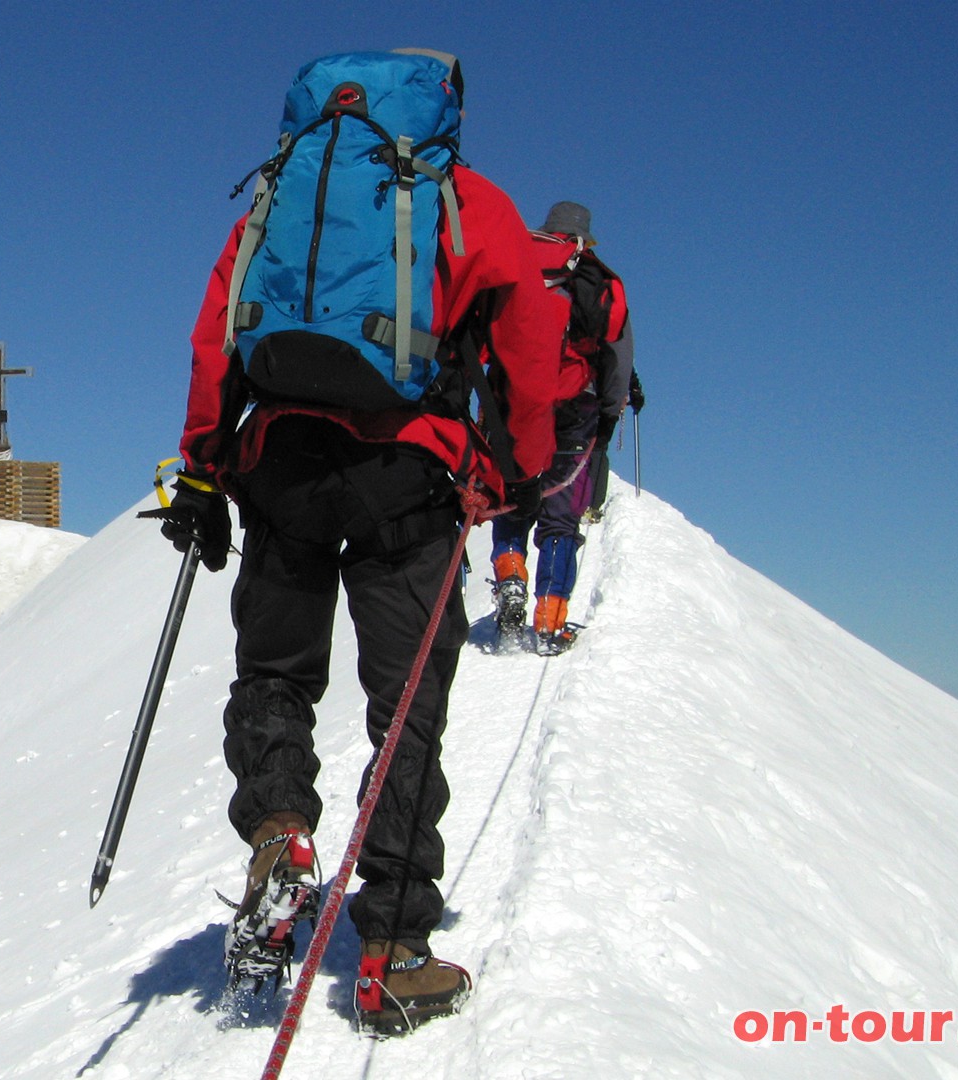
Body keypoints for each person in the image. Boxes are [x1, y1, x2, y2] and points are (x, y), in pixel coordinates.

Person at [155, 50, 562, 1032]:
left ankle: (282, 832)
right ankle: (393, 950)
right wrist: (515, 471)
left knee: (276, 675)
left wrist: (204, 469)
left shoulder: (278, 195)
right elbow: (530, 337)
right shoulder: (464, 199)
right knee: (407, 704)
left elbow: (219, 331)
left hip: (280, 465)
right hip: (408, 476)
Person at [489, 201, 634, 655]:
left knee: (513, 500)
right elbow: (617, 357)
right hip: (575, 409)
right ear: (585, 240)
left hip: (512, 403)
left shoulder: (517, 263)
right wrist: (609, 413)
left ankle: (510, 578)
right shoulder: (598, 281)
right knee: (560, 520)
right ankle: (549, 625)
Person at [584, 370, 643, 523]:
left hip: (582, 392)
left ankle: (579, 500)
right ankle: (592, 504)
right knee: (598, 448)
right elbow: (624, 364)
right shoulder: (618, 346)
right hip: (610, 398)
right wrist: (634, 389)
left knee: (584, 447)